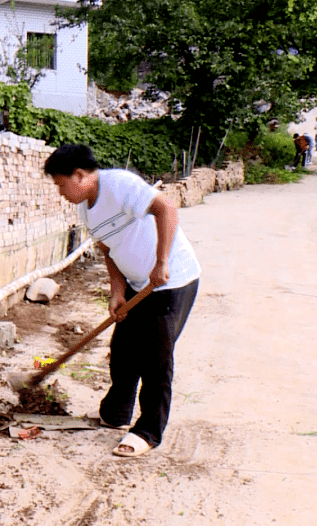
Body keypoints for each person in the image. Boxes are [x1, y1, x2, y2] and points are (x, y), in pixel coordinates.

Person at [43, 145, 201, 458]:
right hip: (135, 285)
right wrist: (117, 290)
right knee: (124, 351)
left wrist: (161, 261)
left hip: (172, 281)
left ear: (80, 175)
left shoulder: (119, 185)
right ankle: (116, 414)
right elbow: (108, 250)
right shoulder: (86, 209)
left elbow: (166, 209)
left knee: (156, 360)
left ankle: (148, 431)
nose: (60, 192)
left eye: (61, 184)